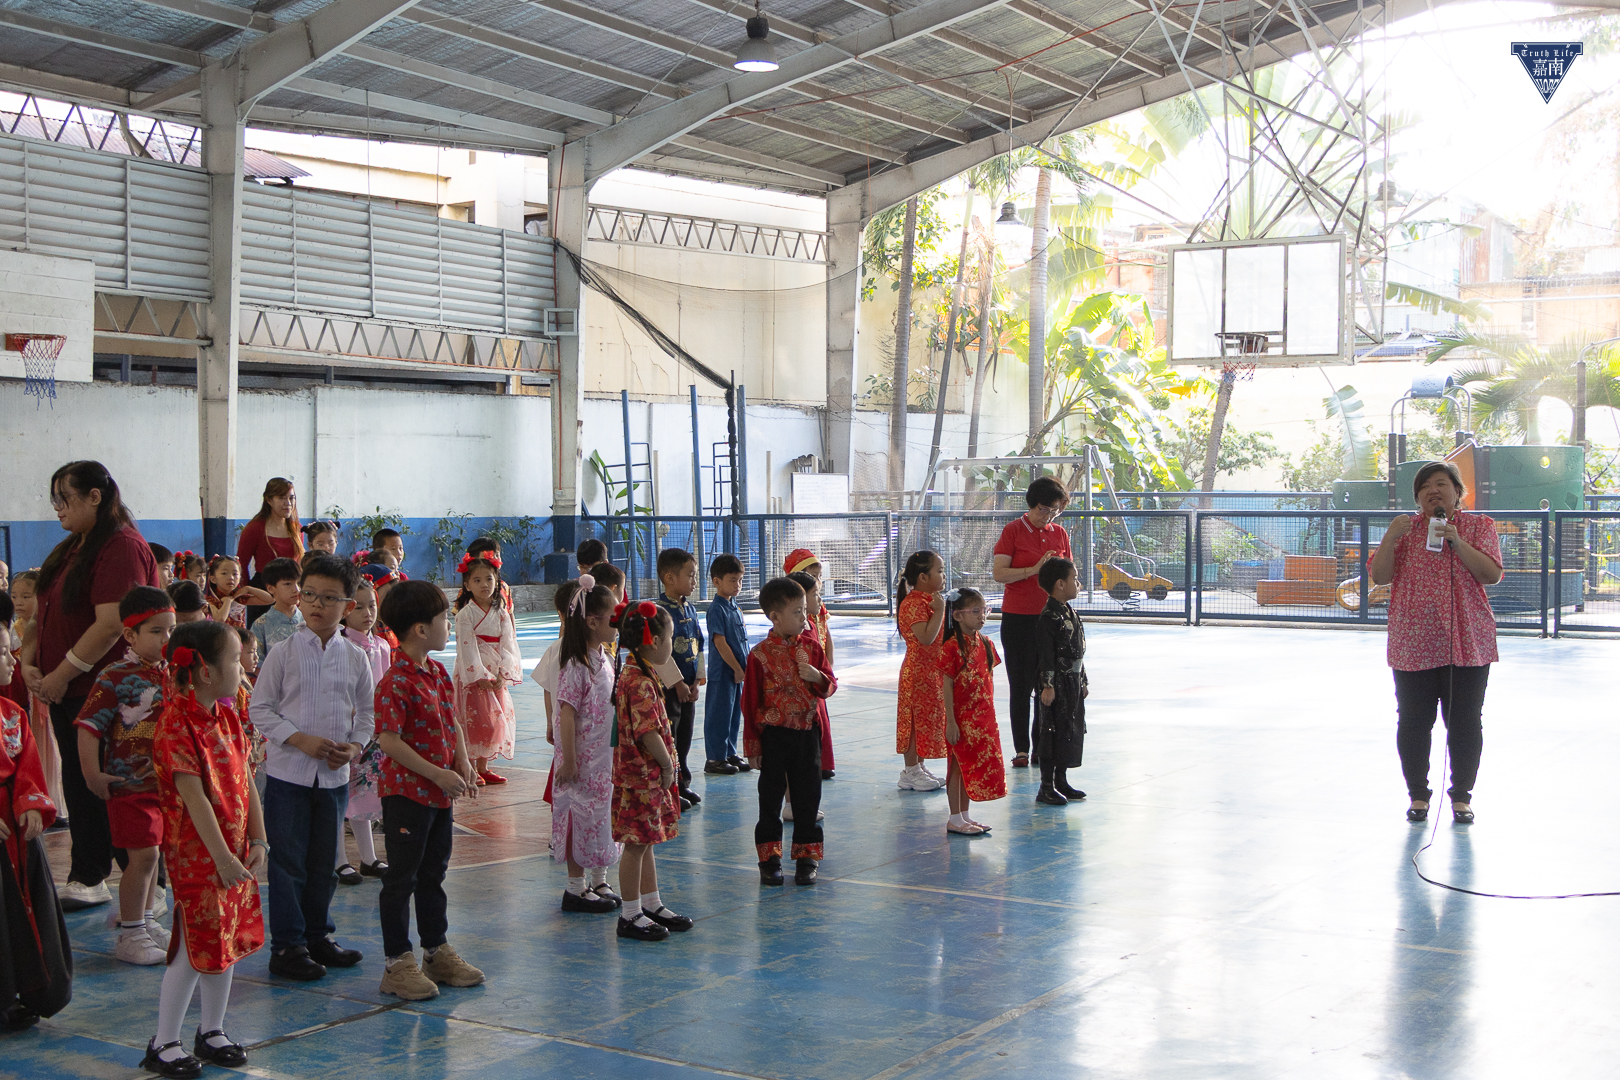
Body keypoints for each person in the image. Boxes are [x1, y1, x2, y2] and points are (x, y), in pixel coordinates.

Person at [19, 460, 161, 912]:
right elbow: (43, 614)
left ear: (95, 497)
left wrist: (60, 674)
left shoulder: (120, 546)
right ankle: (89, 874)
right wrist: (27, 661)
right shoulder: (71, 548)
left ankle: (148, 888)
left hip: (109, 695)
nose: (57, 508)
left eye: (65, 498)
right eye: (54, 499)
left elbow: (111, 623)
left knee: (118, 786)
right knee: (82, 785)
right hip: (67, 691)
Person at [144, 621, 265, 1078]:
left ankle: (211, 1029)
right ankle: (165, 1040)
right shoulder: (175, 724)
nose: (243, 668)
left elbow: (246, 778)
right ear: (206, 672)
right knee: (192, 948)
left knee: (226, 940)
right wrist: (222, 857)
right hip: (200, 856)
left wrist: (258, 838)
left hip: (231, 853)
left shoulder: (228, 715)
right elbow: (193, 799)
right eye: (236, 660)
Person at [248, 554, 374, 983]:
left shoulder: (356, 658)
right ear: (300, 599)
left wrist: (354, 746)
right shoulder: (283, 653)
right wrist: (298, 739)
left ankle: (317, 936)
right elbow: (259, 709)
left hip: (334, 779)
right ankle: (287, 946)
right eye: (311, 596)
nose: (318, 605)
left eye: (330, 598)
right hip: (288, 776)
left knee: (324, 863)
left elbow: (368, 716)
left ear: (349, 606)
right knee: (288, 863)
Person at [1369, 461, 1503, 825]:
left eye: (1441, 484)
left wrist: (1457, 541)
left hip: (1467, 641)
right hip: (1413, 642)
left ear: (1458, 493)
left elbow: (1491, 575)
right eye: (1425, 486)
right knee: (1413, 721)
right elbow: (1379, 576)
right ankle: (1418, 796)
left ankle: (1461, 796)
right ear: (1417, 498)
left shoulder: (1480, 526)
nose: (1433, 491)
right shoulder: (1405, 530)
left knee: (1464, 721)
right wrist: (1390, 537)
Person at [374, 580, 485, 1001]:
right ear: (420, 629)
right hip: (407, 795)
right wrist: (436, 774)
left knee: (433, 874)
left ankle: (435, 951)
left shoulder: (435, 672)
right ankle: (396, 963)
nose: (449, 626)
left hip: (439, 796)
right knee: (401, 878)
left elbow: (451, 722)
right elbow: (389, 741)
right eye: (443, 619)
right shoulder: (395, 680)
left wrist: (463, 762)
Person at [73, 586, 176, 965]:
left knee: (154, 858)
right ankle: (130, 932)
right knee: (144, 857)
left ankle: (145, 922)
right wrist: (92, 774)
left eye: (171, 630)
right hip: (128, 785)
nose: (166, 639)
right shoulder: (114, 676)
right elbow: (88, 726)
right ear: (130, 635)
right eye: (156, 632)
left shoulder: (173, 674)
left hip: (163, 786)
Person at [0, 592, 72, 1033]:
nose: (10, 660)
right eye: (0, 653)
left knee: (25, 914)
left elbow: (28, 768)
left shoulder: (11, 714)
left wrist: (30, 805)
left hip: (15, 836)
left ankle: (25, 991)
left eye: (10, 648)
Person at [743, 576, 836, 887]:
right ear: (775, 616)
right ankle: (769, 858)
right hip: (773, 736)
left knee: (808, 796)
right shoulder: (758, 655)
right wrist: (752, 745)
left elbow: (831, 684)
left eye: (804, 611)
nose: (803, 618)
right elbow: (750, 702)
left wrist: (817, 677)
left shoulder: (812, 648)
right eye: (797, 612)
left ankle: (807, 856)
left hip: (807, 733)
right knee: (769, 799)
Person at [610, 600, 692, 942]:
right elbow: (648, 731)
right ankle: (630, 914)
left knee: (647, 842)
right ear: (654, 641)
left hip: (642, 776)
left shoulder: (638, 671)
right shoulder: (639, 680)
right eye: (670, 637)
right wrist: (667, 764)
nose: (672, 644)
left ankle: (651, 903)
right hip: (641, 777)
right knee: (636, 845)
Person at [551, 577, 623, 915]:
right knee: (579, 816)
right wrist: (568, 759)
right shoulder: (576, 664)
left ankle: (599, 878)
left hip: (603, 762)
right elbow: (567, 712)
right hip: (582, 761)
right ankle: (575, 887)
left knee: (601, 817)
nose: (618, 623)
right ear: (593, 622)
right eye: (613, 616)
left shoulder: (604, 658)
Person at [991, 475, 1072, 769]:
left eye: (1053, 511)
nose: (1047, 517)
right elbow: (999, 573)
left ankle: (1041, 747)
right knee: (1021, 685)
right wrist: (1034, 570)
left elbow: (1069, 576)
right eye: (1042, 510)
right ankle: (1021, 749)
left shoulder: (1060, 534)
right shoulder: (1013, 530)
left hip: (1050, 620)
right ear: (1031, 505)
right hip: (1019, 619)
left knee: (1047, 685)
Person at [940, 588, 1007, 836]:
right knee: (957, 766)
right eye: (975, 611)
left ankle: (965, 815)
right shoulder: (951, 647)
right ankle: (954, 817)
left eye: (984, 611)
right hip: (961, 719)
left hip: (982, 718)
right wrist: (951, 721)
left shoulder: (985, 643)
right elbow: (946, 683)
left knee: (970, 766)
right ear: (957, 616)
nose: (982, 616)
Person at [338, 579, 391, 885]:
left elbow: (383, 686)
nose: (367, 612)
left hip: (373, 731)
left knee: (365, 794)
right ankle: (339, 859)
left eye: (372, 605)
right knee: (341, 793)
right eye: (359, 607)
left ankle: (369, 857)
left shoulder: (382, 645)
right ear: (346, 610)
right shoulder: (342, 645)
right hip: (347, 729)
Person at [452, 551, 521, 786]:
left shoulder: (501, 612)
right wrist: (478, 675)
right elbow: (466, 647)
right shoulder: (465, 615)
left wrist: (503, 672)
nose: (484, 585)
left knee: (494, 720)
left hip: (495, 671)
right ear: (467, 585)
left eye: (489, 579)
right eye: (477, 580)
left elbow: (508, 643)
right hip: (474, 674)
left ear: (497, 581)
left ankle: (485, 766)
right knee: (475, 719)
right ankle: (471, 766)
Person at [7, 572, 65, 818]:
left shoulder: (47, 626)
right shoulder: (11, 629)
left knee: (51, 748)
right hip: (20, 696)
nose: (18, 602)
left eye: (26, 596)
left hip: (42, 694)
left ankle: (54, 803)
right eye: (14, 596)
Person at [652, 548, 704, 808]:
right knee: (669, 736)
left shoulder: (690, 609)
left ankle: (683, 783)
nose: (695, 581)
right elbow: (660, 652)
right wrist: (678, 683)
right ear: (669, 578)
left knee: (684, 736)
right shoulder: (659, 612)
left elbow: (699, 644)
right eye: (691, 575)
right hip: (670, 689)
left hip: (688, 688)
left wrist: (696, 680)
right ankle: (669, 788)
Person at [1034, 558, 1088, 807]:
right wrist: (1048, 685)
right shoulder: (1049, 617)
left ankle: (1061, 780)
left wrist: (1083, 679)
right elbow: (1046, 655)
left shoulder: (1070, 612)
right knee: (1051, 730)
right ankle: (1046, 786)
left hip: (1072, 682)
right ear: (1059, 584)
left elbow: (1078, 651)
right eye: (1074, 578)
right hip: (1056, 685)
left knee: (1069, 728)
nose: (1077, 583)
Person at [895, 550, 948, 793]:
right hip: (917, 672)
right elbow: (926, 638)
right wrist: (939, 612)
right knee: (914, 720)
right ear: (924, 577)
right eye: (939, 571)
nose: (943, 575)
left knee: (926, 718)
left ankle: (919, 765)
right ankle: (910, 770)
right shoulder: (914, 603)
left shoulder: (930, 600)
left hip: (932, 671)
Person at [783, 549, 838, 780]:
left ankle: (822, 763)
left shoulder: (818, 612)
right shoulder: (793, 628)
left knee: (820, 720)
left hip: (817, 677)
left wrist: (827, 669)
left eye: (819, 575)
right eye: (812, 576)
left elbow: (826, 637)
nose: (818, 582)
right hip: (801, 690)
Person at [703, 554, 751, 776]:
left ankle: (729, 752)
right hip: (723, 672)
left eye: (740, 580)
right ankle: (715, 758)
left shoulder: (735, 607)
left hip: (737, 672)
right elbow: (720, 642)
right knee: (719, 715)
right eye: (732, 580)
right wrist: (736, 667)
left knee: (734, 714)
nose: (737, 585)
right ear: (716, 581)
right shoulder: (717, 609)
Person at [235, 478, 305, 628]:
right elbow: (241, 564)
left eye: (291, 498)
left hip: (292, 589)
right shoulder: (255, 528)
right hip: (263, 590)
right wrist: (246, 596)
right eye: (281, 498)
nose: (288, 503)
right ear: (269, 500)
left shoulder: (296, 528)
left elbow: (299, 562)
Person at [534, 580, 581, 749]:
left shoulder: (555, 649)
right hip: (587, 735)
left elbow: (547, 689)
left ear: (560, 615)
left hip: (563, 730)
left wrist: (550, 722)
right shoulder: (596, 654)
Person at [249, 558, 305, 657]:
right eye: (288, 584)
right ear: (271, 588)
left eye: (299, 583)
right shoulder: (261, 624)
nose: (296, 590)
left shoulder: (308, 619)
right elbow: (256, 663)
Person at [202, 556, 268, 629]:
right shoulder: (209, 600)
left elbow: (270, 600)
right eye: (224, 573)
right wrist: (227, 602)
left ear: (239, 578)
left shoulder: (239, 598)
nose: (231, 577)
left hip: (240, 638)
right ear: (213, 579)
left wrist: (248, 588)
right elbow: (220, 620)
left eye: (235, 574)